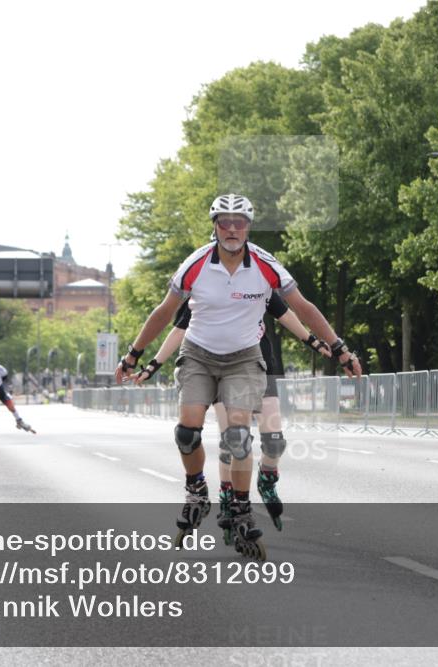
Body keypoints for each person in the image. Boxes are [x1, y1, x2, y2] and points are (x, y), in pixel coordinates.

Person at [116, 193, 361, 559]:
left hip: (245, 358)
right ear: (214, 226)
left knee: (238, 436)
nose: (232, 229)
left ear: (248, 227)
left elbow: (303, 308)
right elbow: (165, 313)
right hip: (198, 354)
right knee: (187, 432)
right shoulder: (195, 265)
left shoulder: (266, 266)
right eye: (224, 222)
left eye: (239, 222)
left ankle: (242, 510)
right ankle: (197, 491)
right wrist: (135, 355)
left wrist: (339, 348)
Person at [134, 292, 332, 540]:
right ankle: (229, 496)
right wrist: (153, 364)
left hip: (259, 365)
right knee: (233, 439)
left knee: (275, 440)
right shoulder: (207, 288)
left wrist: (312, 340)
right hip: (221, 370)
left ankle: (267, 480)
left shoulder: (258, 284)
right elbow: (180, 329)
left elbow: (287, 314)